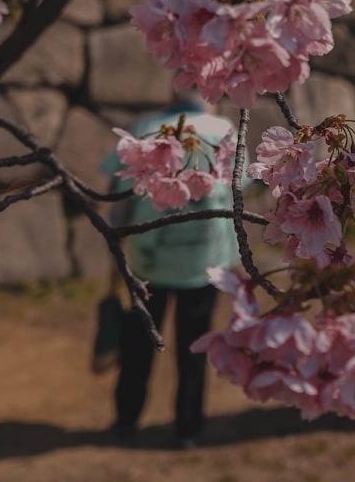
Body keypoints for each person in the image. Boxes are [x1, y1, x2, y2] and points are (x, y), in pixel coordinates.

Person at [102, 91, 240, 449]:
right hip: (205, 257)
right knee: (194, 345)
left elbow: (120, 195)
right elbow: (240, 185)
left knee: (138, 343)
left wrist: (115, 242)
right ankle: (188, 429)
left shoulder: (145, 128)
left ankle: (126, 419)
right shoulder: (223, 129)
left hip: (149, 258)